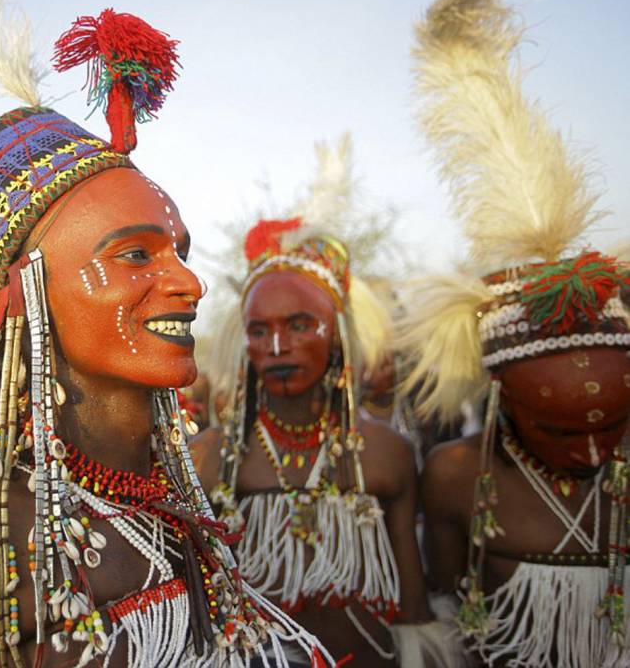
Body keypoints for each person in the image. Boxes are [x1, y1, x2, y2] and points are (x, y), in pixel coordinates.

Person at [0, 0, 330, 665]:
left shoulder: (171, 488)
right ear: (26, 291)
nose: (189, 283)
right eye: (135, 255)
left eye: (179, 250)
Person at [401, 0, 630, 668]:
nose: (593, 455)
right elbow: (444, 588)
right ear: (497, 395)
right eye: (560, 428)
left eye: (613, 423)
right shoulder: (452, 475)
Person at [191, 134, 452, 667]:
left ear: (336, 335)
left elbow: (412, 606)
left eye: (300, 325)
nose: (278, 346)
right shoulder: (208, 457)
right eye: (259, 330)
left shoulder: (387, 455)